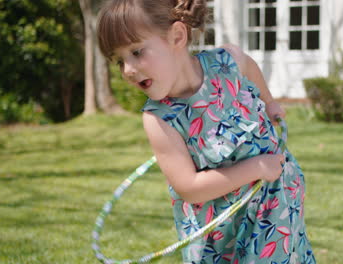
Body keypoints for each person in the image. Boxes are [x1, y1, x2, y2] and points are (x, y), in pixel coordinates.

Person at [97, 0, 316, 263]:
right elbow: (189, 187)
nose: (128, 70)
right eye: (118, 61)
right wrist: (256, 167)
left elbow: (250, 68)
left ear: (176, 36)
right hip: (222, 233)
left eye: (137, 52)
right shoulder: (160, 119)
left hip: (275, 202)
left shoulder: (227, 62)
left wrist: (269, 103)